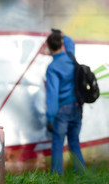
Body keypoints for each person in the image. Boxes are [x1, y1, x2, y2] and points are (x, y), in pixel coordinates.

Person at [46, 29, 86, 175]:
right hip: (77, 107)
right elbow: (70, 43)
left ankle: (56, 175)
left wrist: (50, 117)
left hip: (63, 110)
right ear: (61, 44)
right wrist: (63, 35)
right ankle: (82, 174)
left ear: (49, 47)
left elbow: (52, 94)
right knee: (74, 141)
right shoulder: (70, 57)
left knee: (58, 142)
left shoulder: (53, 67)